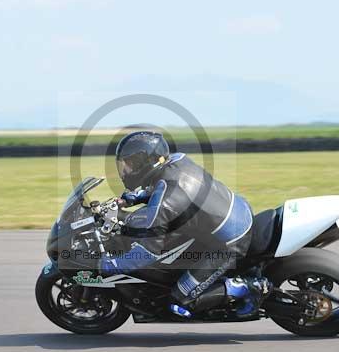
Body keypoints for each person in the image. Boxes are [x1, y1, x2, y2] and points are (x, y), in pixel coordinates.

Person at [99, 131, 270, 318]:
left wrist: (109, 265)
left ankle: (247, 286)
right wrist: (134, 198)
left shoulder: (168, 202)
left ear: (146, 162)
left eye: (130, 165)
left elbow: (147, 253)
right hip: (237, 210)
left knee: (179, 301)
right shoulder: (177, 160)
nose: (126, 171)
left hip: (230, 243)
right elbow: (163, 186)